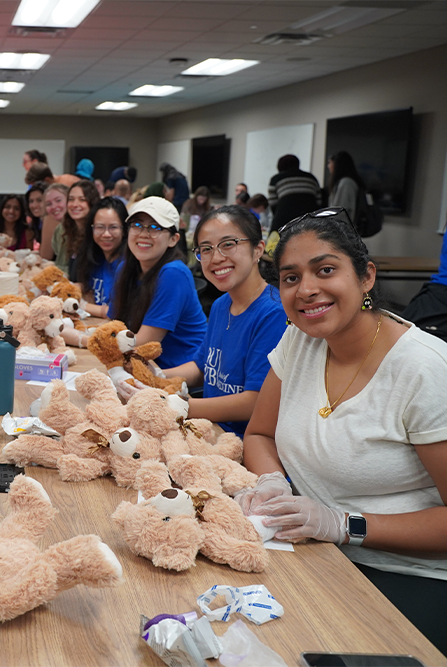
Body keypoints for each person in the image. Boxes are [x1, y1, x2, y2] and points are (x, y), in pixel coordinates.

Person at [239, 207, 447, 654]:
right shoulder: (300, 339)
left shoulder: (424, 371)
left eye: (326, 270)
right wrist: (272, 480)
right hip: (312, 553)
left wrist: (343, 524)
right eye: (290, 278)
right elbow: (259, 435)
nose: (307, 290)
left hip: (402, 575)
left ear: (366, 276)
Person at [156, 205, 287, 435]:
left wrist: (179, 405)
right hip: (206, 430)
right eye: (205, 249)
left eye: (228, 245)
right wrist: (151, 378)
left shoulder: (274, 313)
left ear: (258, 249)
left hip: (242, 444)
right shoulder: (220, 305)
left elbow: (254, 402)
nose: (216, 258)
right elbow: (201, 367)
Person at [109, 197, 207, 368]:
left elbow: (145, 342)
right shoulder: (125, 269)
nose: (143, 234)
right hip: (139, 365)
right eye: (137, 225)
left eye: (155, 227)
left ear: (173, 239)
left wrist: (80, 339)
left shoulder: (173, 273)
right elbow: (115, 325)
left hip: (176, 375)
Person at [75, 197, 128, 318]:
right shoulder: (94, 258)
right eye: (100, 227)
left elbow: (117, 312)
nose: (106, 234)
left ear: (124, 230)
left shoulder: (127, 264)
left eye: (113, 227)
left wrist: (81, 305)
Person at [52, 180, 99, 276]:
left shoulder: (97, 233)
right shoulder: (65, 229)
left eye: (82, 200)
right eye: (71, 199)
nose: (74, 204)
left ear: (92, 202)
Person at [267, 154, 321, 233]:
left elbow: (273, 204)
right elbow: (319, 202)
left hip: (284, 220)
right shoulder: (311, 178)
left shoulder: (275, 179)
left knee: (275, 242)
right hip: (310, 220)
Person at [327, 150, 363, 222]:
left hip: (343, 229)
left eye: (330, 162)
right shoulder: (346, 182)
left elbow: (340, 212)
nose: (328, 166)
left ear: (337, 164)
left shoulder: (345, 183)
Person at [39, 183, 68, 262]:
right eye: (49, 204)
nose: (54, 206)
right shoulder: (59, 229)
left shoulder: (80, 228)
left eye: (58, 200)